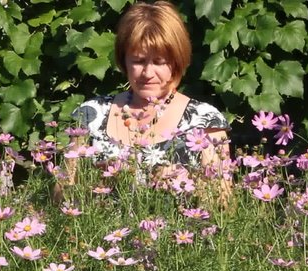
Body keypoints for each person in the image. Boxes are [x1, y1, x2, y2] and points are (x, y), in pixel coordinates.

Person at [57, 1, 232, 205]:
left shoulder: (204, 121)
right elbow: (60, 194)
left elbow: (224, 204)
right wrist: (94, 183)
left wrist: (187, 183)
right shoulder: (91, 115)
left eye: (159, 62)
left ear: (177, 61)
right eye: (138, 61)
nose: (148, 74)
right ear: (124, 61)